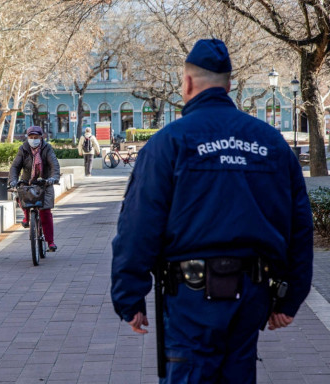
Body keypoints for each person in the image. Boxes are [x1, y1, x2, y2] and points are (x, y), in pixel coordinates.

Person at [111, 39, 313, 383]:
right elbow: (299, 226)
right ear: (229, 85)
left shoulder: (169, 143)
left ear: (187, 83)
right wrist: (290, 298)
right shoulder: (271, 143)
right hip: (253, 294)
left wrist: (128, 296)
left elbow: (138, 225)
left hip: (191, 299)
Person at [8, 125, 60, 251]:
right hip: (28, 182)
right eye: (31, 137)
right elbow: (15, 167)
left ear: (41, 138)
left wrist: (53, 178)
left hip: (45, 182)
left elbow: (54, 165)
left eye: (36, 137)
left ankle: (50, 242)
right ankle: (26, 216)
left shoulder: (47, 149)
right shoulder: (23, 149)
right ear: (28, 138)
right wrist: (13, 180)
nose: (33, 139)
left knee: (45, 212)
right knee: (21, 194)